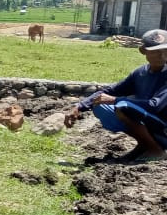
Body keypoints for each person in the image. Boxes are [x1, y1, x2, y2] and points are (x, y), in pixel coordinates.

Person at [64, 29, 167, 162]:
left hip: (163, 127)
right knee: (100, 104)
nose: (162, 56)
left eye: (165, 51)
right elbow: (111, 91)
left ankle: (156, 150)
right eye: (156, 51)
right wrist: (79, 106)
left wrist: (115, 100)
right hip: (149, 123)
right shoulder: (140, 73)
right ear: (143, 51)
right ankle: (144, 144)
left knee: (122, 106)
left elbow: (155, 105)